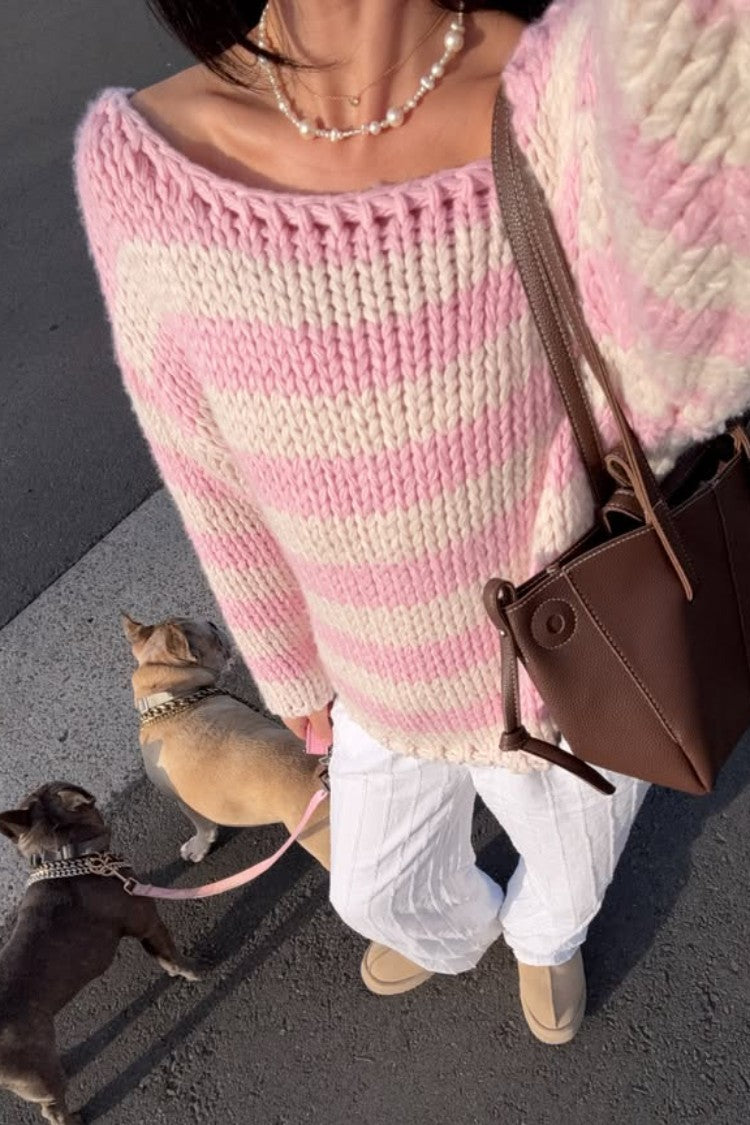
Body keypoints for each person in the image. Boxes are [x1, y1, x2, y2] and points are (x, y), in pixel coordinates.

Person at [74, 0, 750, 1044]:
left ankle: (544, 942)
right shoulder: (146, 165)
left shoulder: (575, 90)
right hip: (371, 680)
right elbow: (204, 468)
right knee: (375, 890)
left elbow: (678, 390)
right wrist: (293, 678)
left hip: (575, 661)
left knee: (572, 876)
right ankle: (455, 931)